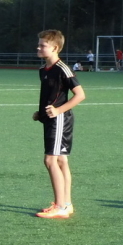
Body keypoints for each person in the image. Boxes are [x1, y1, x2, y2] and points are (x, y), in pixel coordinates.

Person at [33, 29, 86, 219]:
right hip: (50, 119)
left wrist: (58, 111)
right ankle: (67, 204)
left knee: (50, 161)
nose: (38, 48)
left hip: (60, 120)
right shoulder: (43, 70)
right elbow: (51, 95)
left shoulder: (63, 68)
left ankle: (60, 206)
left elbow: (80, 95)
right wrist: (40, 112)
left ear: (55, 48)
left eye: (42, 45)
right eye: (39, 44)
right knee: (61, 160)